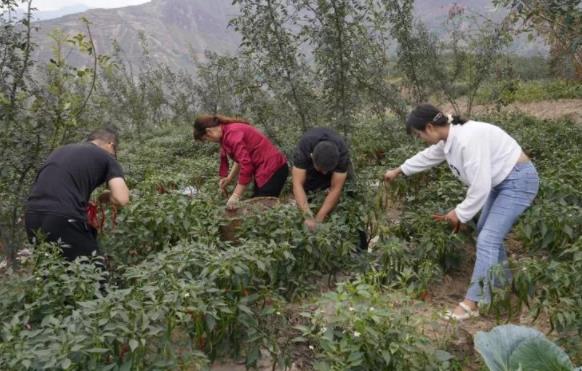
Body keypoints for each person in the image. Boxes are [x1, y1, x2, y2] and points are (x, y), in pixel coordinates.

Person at [383, 104, 539, 320]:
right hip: (502, 181)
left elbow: (481, 186)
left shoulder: (467, 139)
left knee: (487, 239)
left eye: (419, 134)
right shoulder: (449, 138)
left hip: (518, 181)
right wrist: (399, 170)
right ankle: (502, 285)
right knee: (486, 233)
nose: (421, 139)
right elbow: (428, 156)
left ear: (429, 127)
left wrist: (459, 213)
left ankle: (471, 303)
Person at [25, 128, 130, 261]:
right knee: (93, 274)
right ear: (111, 144)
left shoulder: (61, 151)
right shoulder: (106, 157)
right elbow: (122, 199)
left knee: (53, 273)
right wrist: (106, 196)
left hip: (32, 216)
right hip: (63, 218)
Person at [193, 115, 289, 209]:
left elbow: (246, 165)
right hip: (267, 169)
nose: (210, 141)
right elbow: (240, 159)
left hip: (272, 169)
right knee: (259, 205)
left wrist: (235, 196)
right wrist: (229, 178)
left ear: (208, 131)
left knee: (262, 209)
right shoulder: (227, 132)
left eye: (206, 139)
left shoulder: (232, 133)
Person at [291, 127, 352, 232]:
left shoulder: (342, 155)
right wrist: (308, 215)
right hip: (311, 165)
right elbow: (297, 184)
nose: (324, 173)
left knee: (344, 196)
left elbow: (336, 189)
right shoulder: (304, 150)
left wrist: (319, 218)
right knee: (307, 196)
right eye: (321, 170)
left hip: (335, 166)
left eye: (327, 170)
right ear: (311, 157)